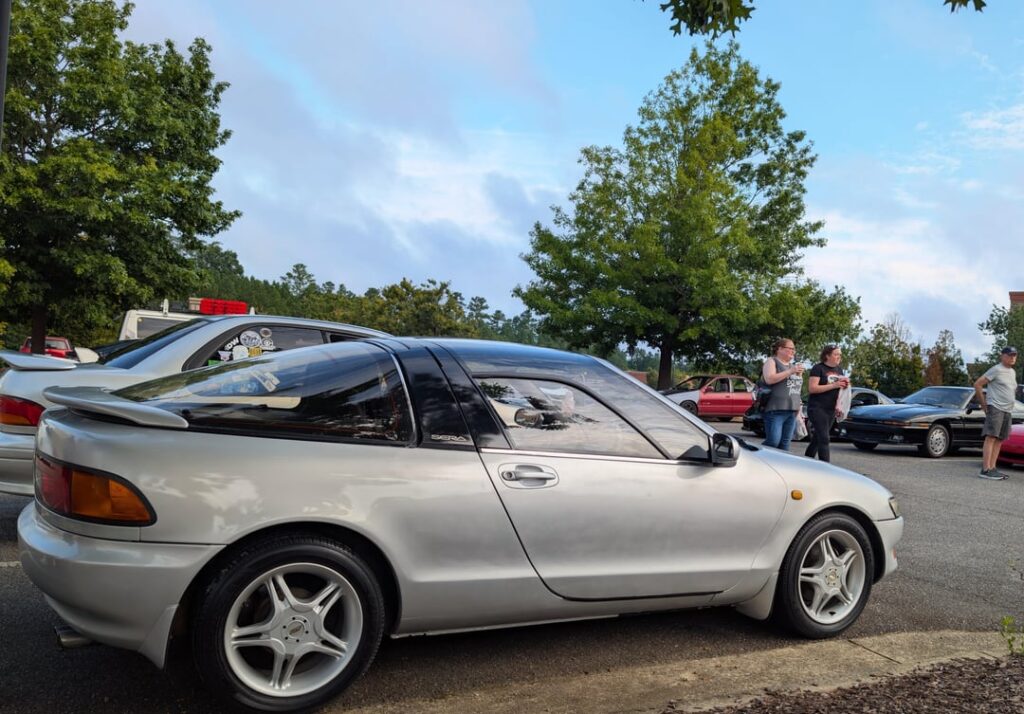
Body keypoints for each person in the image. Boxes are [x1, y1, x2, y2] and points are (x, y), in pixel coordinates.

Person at [974, 346, 1019, 480]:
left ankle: (992, 468)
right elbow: (978, 384)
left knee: (1000, 439)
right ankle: (985, 469)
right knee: (991, 437)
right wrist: (984, 405)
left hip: (1007, 410)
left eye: (1014, 355)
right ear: (1002, 356)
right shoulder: (996, 369)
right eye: (1010, 355)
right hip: (996, 408)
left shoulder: (1012, 372)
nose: (1012, 358)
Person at [804, 345, 851, 463]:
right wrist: (834, 385)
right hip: (817, 408)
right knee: (824, 439)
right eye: (836, 354)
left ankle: (805, 462)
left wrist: (845, 387)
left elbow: (839, 390)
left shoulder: (839, 370)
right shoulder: (818, 368)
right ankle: (826, 469)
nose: (839, 357)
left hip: (830, 409)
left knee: (817, 439)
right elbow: (812, 388)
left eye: (840, 354)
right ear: (827, 356)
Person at [761, 338, 804, 451]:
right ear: (780, 349)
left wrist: (799, 404)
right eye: (790, 348)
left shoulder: (792, 366)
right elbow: (769, 379)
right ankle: (758, 457)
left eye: (794, 349)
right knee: (773, 441)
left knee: (785, 444)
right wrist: (790, 371)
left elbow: (796, 388)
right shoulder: (772, 361)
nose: (793, 351)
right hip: (776, 409)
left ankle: (778, 467)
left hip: (792, 410)